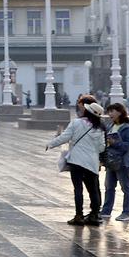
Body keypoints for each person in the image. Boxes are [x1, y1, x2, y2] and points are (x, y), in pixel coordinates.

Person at [45, 96, 106, 226]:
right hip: (92, 163)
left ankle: (79, 216)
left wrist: (51, 144)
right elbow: (101, 147)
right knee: (93, 190)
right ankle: (94, 215)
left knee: (78, 189)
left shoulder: (76, 123)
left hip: (76, 161)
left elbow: (65, 137)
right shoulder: (100, 128)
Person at [102, 101, 129, 222]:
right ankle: (106, 211)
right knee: (109, 187)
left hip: (123, 163)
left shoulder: (127, 127)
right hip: (111, 162)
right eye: (109, 112)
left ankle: (126, 213)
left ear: (120, 112)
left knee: (126, 188)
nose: (110, 114)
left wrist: (115, 143)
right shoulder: (109, 126)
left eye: (112, 111)